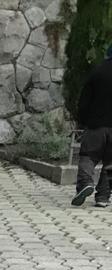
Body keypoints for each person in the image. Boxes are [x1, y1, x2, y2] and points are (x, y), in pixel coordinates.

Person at [71, 45, 112, 208]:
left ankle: (85, 183)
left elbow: (84, 100)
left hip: (95, 125)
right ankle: (103, 196)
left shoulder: (97, 72)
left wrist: (82, 120)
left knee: (88, 155)